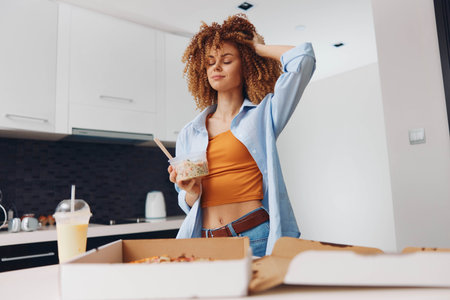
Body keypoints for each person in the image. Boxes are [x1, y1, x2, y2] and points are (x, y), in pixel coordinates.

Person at [168, 14, 315, 256]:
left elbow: (304, 58)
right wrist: (191, 191)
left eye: (227, 60)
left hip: (255, 235)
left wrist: (258, 48)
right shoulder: (190, 132)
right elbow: (187, 202)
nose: (216, 67)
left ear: (245, 65)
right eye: (210, 61)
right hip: (207, 240)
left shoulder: (262, 116)